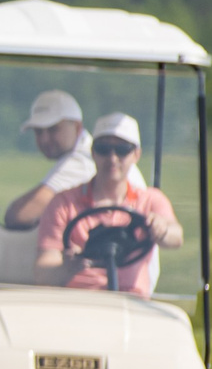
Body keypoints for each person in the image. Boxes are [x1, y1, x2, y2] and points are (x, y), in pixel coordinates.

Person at [33, 114, 182, 297]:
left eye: (122, 150)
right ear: (93, 153)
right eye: (104, 149)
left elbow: (176, 236)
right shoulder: (63, 203)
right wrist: (67, 268)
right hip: (78, 300)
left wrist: (162, 229)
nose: (112, 158)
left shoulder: (151, 200)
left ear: (136, 154)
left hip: (132, 301)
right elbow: (43, 272)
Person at [3, 89, 143, 230]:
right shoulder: (86, 154)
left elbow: (20, 216)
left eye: (53, 129)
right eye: (38, 131)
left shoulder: (83, 160)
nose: (44, 139)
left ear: (77, 127)